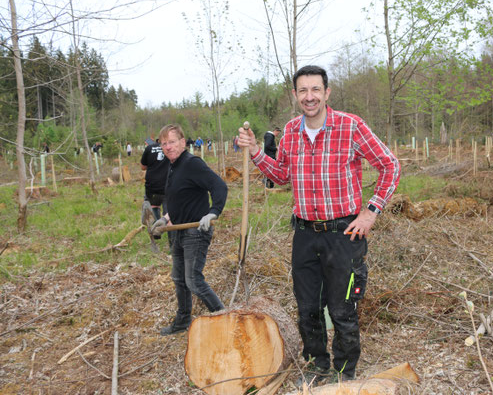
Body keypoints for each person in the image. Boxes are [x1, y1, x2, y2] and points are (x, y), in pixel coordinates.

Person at [237, 65, 400, 385]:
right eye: (302, 91)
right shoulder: (291, 131)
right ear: (295, 95)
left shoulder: (351, 126)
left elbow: (389, 166)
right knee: (308, 308)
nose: (309, 97)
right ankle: (316, 366)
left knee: (342, 310)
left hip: (344, 234)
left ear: (327, 93)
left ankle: (343, 372)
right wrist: (256, 151)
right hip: (304, 234)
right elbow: (281, 175)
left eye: (315, 90)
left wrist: (370, 212)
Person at [151, 124, 228, 335]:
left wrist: (213, 212)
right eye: (164, 143)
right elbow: (181, 198)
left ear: (183, 142)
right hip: (178, 230)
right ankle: (183, 321)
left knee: (193, 279)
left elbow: (219, 185)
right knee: (179, 278)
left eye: (172, 142)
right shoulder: (174, 166)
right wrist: (166, 219)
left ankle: (225, 319)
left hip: (196, 230)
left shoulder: (192, 163)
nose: (168, 147)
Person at [141, 137, 169, 222]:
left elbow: (143, 167)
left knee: (154, 207)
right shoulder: (170, 148)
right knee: (169, 212)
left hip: (152, 184)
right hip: (167, 184)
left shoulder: (149, 148)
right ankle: (171, 233)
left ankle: (156, 231)